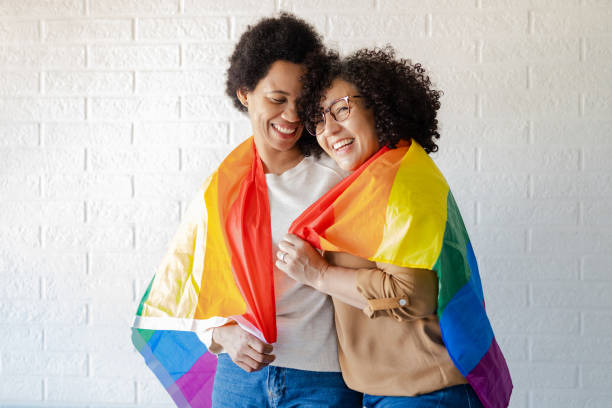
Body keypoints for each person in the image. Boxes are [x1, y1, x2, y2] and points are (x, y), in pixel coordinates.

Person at [132, 14, 361, 407]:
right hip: (240, 378)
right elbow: (198, 287)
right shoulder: (223, 186)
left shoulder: (336, 178)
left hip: (322, 380)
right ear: (244, 94)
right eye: (277, 99)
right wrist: (224, 335)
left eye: (301, 101)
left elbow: (377, 276)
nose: (291, 115)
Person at [276, 47, 513, 408]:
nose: (330, 129)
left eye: (341, 109)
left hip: (424, 392)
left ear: (378, 105)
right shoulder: (379, 177)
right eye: (319, 120)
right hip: (400, 390)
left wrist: (319, 274)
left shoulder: (398, 183)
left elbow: (409, 294)